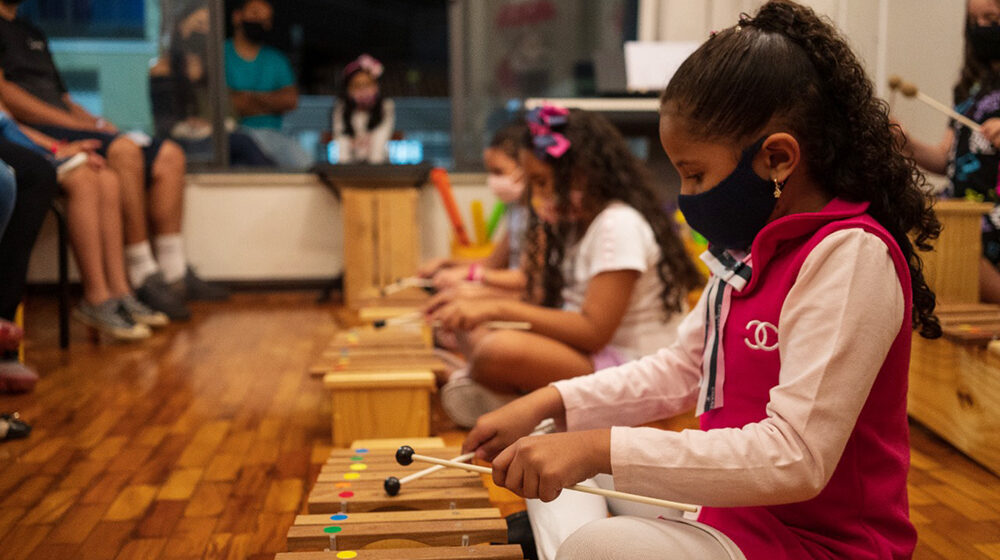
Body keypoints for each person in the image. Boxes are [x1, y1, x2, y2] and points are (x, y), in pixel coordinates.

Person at [462, 2, 943, 558]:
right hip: (733, 515)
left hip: (818, 546)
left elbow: (797, 457)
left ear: (779, 159)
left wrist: (599, 448)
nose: (686, 197)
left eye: (695, 174)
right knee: (549, 456)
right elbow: (682, 368)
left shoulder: (849, 255)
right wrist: (549, 403)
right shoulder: (749, 250)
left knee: (599, 539)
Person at [431, 105, 702, 429]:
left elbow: (592, 332)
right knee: (473, 330)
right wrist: (478, 306)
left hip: (633, 366)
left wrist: (494, 309)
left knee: (495, 349)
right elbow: (547, 301)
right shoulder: (576, 225)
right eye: (535, 185)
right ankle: (511, 403)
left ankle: (511, 404)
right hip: (595, 354)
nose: (540, 196)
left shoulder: (618, 224)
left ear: (583, 174)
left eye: (544, 182)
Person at [0, 0, 229, 321]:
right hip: (41, 129)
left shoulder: (31, 31)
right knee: (124, 151)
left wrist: (94, 122)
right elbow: (6, 97)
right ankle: (141, 271)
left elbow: (64, 98)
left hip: (67, 122)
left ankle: (173, 270)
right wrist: (76, 127)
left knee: (170, 156)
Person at [897, 0, 1000, 303]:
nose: (982, 27)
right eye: (975, 20)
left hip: (992, 217)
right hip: (961, 212)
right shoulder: (970, 88)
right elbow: (946, 158)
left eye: (991, 18)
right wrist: (907, 144)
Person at [150, 0, 274, 167]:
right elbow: (165, 123)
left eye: (208, 26)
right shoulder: (163, 68)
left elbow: (229, 114)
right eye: (198, 23)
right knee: (244, 143)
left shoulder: (212, 68)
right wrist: (190, 126)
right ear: (181, 25)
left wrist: (213, 125)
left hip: (216, 137)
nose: (203, 31)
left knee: (243, 156)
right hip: (182, 142)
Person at [419, 121, 531, 299]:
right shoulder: (518, 211)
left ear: (526, 168)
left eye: (499, 172)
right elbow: (492, 263)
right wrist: (446, 263)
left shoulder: (540, 215)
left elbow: (527, 279)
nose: (493, 180)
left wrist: (472, 277)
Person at [225, 0, 311, 169]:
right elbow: (227, 104)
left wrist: (246, 99)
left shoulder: (276, 60)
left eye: (266, 19)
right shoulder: (219, 54)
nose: (261, 22)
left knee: (306, 167)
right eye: (255, 14)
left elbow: (290, 101)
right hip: (231, 137)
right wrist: (271, 101)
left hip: (275, 138)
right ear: (237, 17)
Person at [332, 54, 395, 164]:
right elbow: (342, 149)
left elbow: (377, 152)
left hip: (379, 169)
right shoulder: (341, 108)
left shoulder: (386, 106)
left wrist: (373, 176)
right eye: (356, 85)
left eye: (367, 84)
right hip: (349, 171)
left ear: (376, 86)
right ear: (348, 90)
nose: (363, 89)